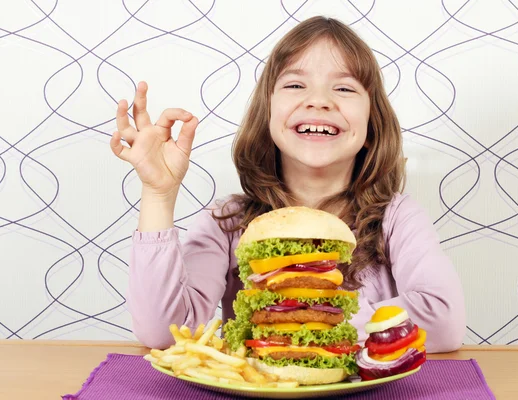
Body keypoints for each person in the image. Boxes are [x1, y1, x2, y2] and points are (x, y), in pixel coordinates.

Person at [110, 16, 466, 353]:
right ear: (268, 116)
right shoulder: (227, 222)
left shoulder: (396, 218)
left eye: (343, 88)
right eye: (295, 85)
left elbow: (444, 321)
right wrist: (159, 194)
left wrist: (305, 317)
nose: (319, 100)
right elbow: (165, 331)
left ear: (371, 126)